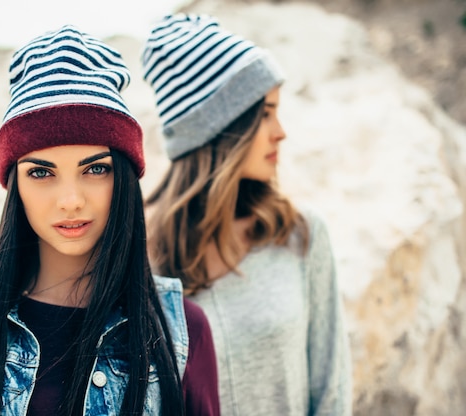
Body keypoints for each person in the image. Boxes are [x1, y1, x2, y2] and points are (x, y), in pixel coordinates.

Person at [0, 23, 220, 416]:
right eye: (41, 172)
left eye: (95, 170)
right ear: (15, 185)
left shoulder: (182, 333)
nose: (70, 200)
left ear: (125, 177)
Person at [141, 14, 352, 415]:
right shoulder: (141, 260)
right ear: (221, 127)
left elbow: (332, 392)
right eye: (266, 112)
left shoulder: (299, 234)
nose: (281, 131)